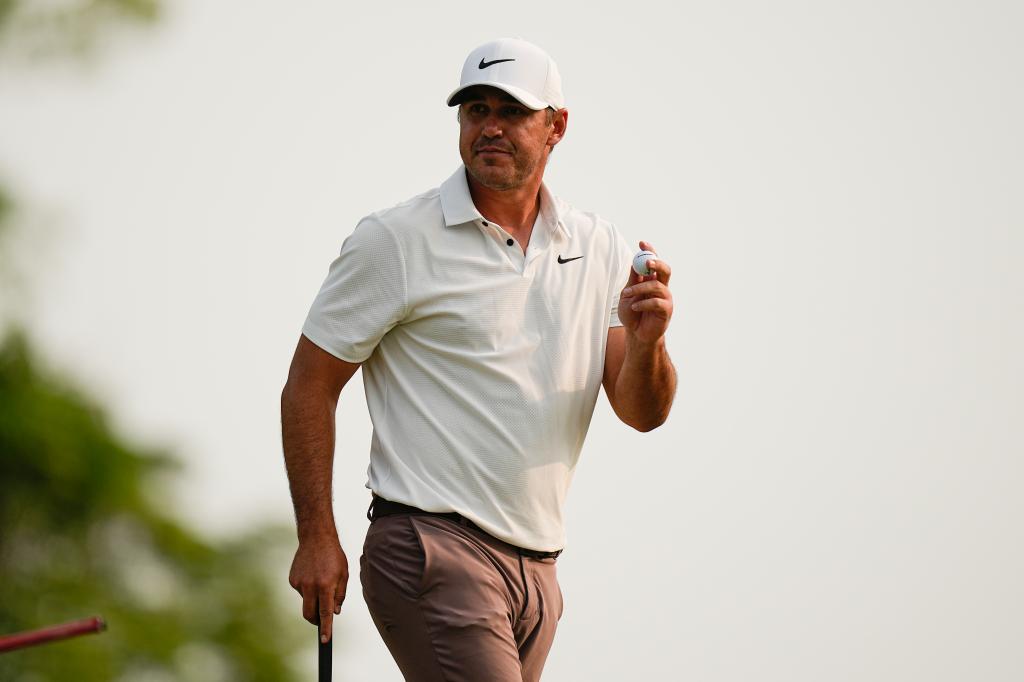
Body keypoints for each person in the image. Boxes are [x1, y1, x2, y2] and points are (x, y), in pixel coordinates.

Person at [281, 37, 676, 681]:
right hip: (429, 546)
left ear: (556, 127)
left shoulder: (596, 245)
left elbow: (640, 411)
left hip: (538, 572)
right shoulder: (396, 240)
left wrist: (650, 339)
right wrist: (317, 536)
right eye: (475, 109)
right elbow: (309, 385)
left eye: (512, 111)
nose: (489, 127)